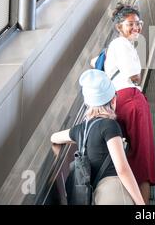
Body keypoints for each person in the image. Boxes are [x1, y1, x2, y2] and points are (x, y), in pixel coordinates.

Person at [50, 69, 145, 205]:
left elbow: (54, 137)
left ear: (88, 104)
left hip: (95, 196)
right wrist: (140, 202)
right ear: (113, 100)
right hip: (114, 193)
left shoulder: (81, 129)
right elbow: (122, 169)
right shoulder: (109, 126)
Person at [104, 3, 155, 204]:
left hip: (121, 99)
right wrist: (137, 77)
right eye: (130, 24)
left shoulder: (117, 45)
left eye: (138, 23)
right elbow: (134, 75)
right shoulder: (121, 44)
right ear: (119, 26)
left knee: (133, 154)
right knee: (142, 155)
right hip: (131, 99)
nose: (136, 27)